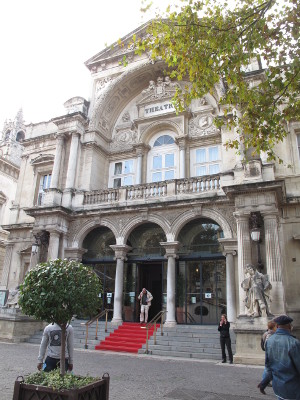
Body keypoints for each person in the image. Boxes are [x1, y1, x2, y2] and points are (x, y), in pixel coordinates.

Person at [257, 315, 300, 399]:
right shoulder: (294, 343)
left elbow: (268, 366)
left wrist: (264, 383)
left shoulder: (270, 341)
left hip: (278, 388)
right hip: (293, 388)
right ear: (290, 326)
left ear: (276, 326)